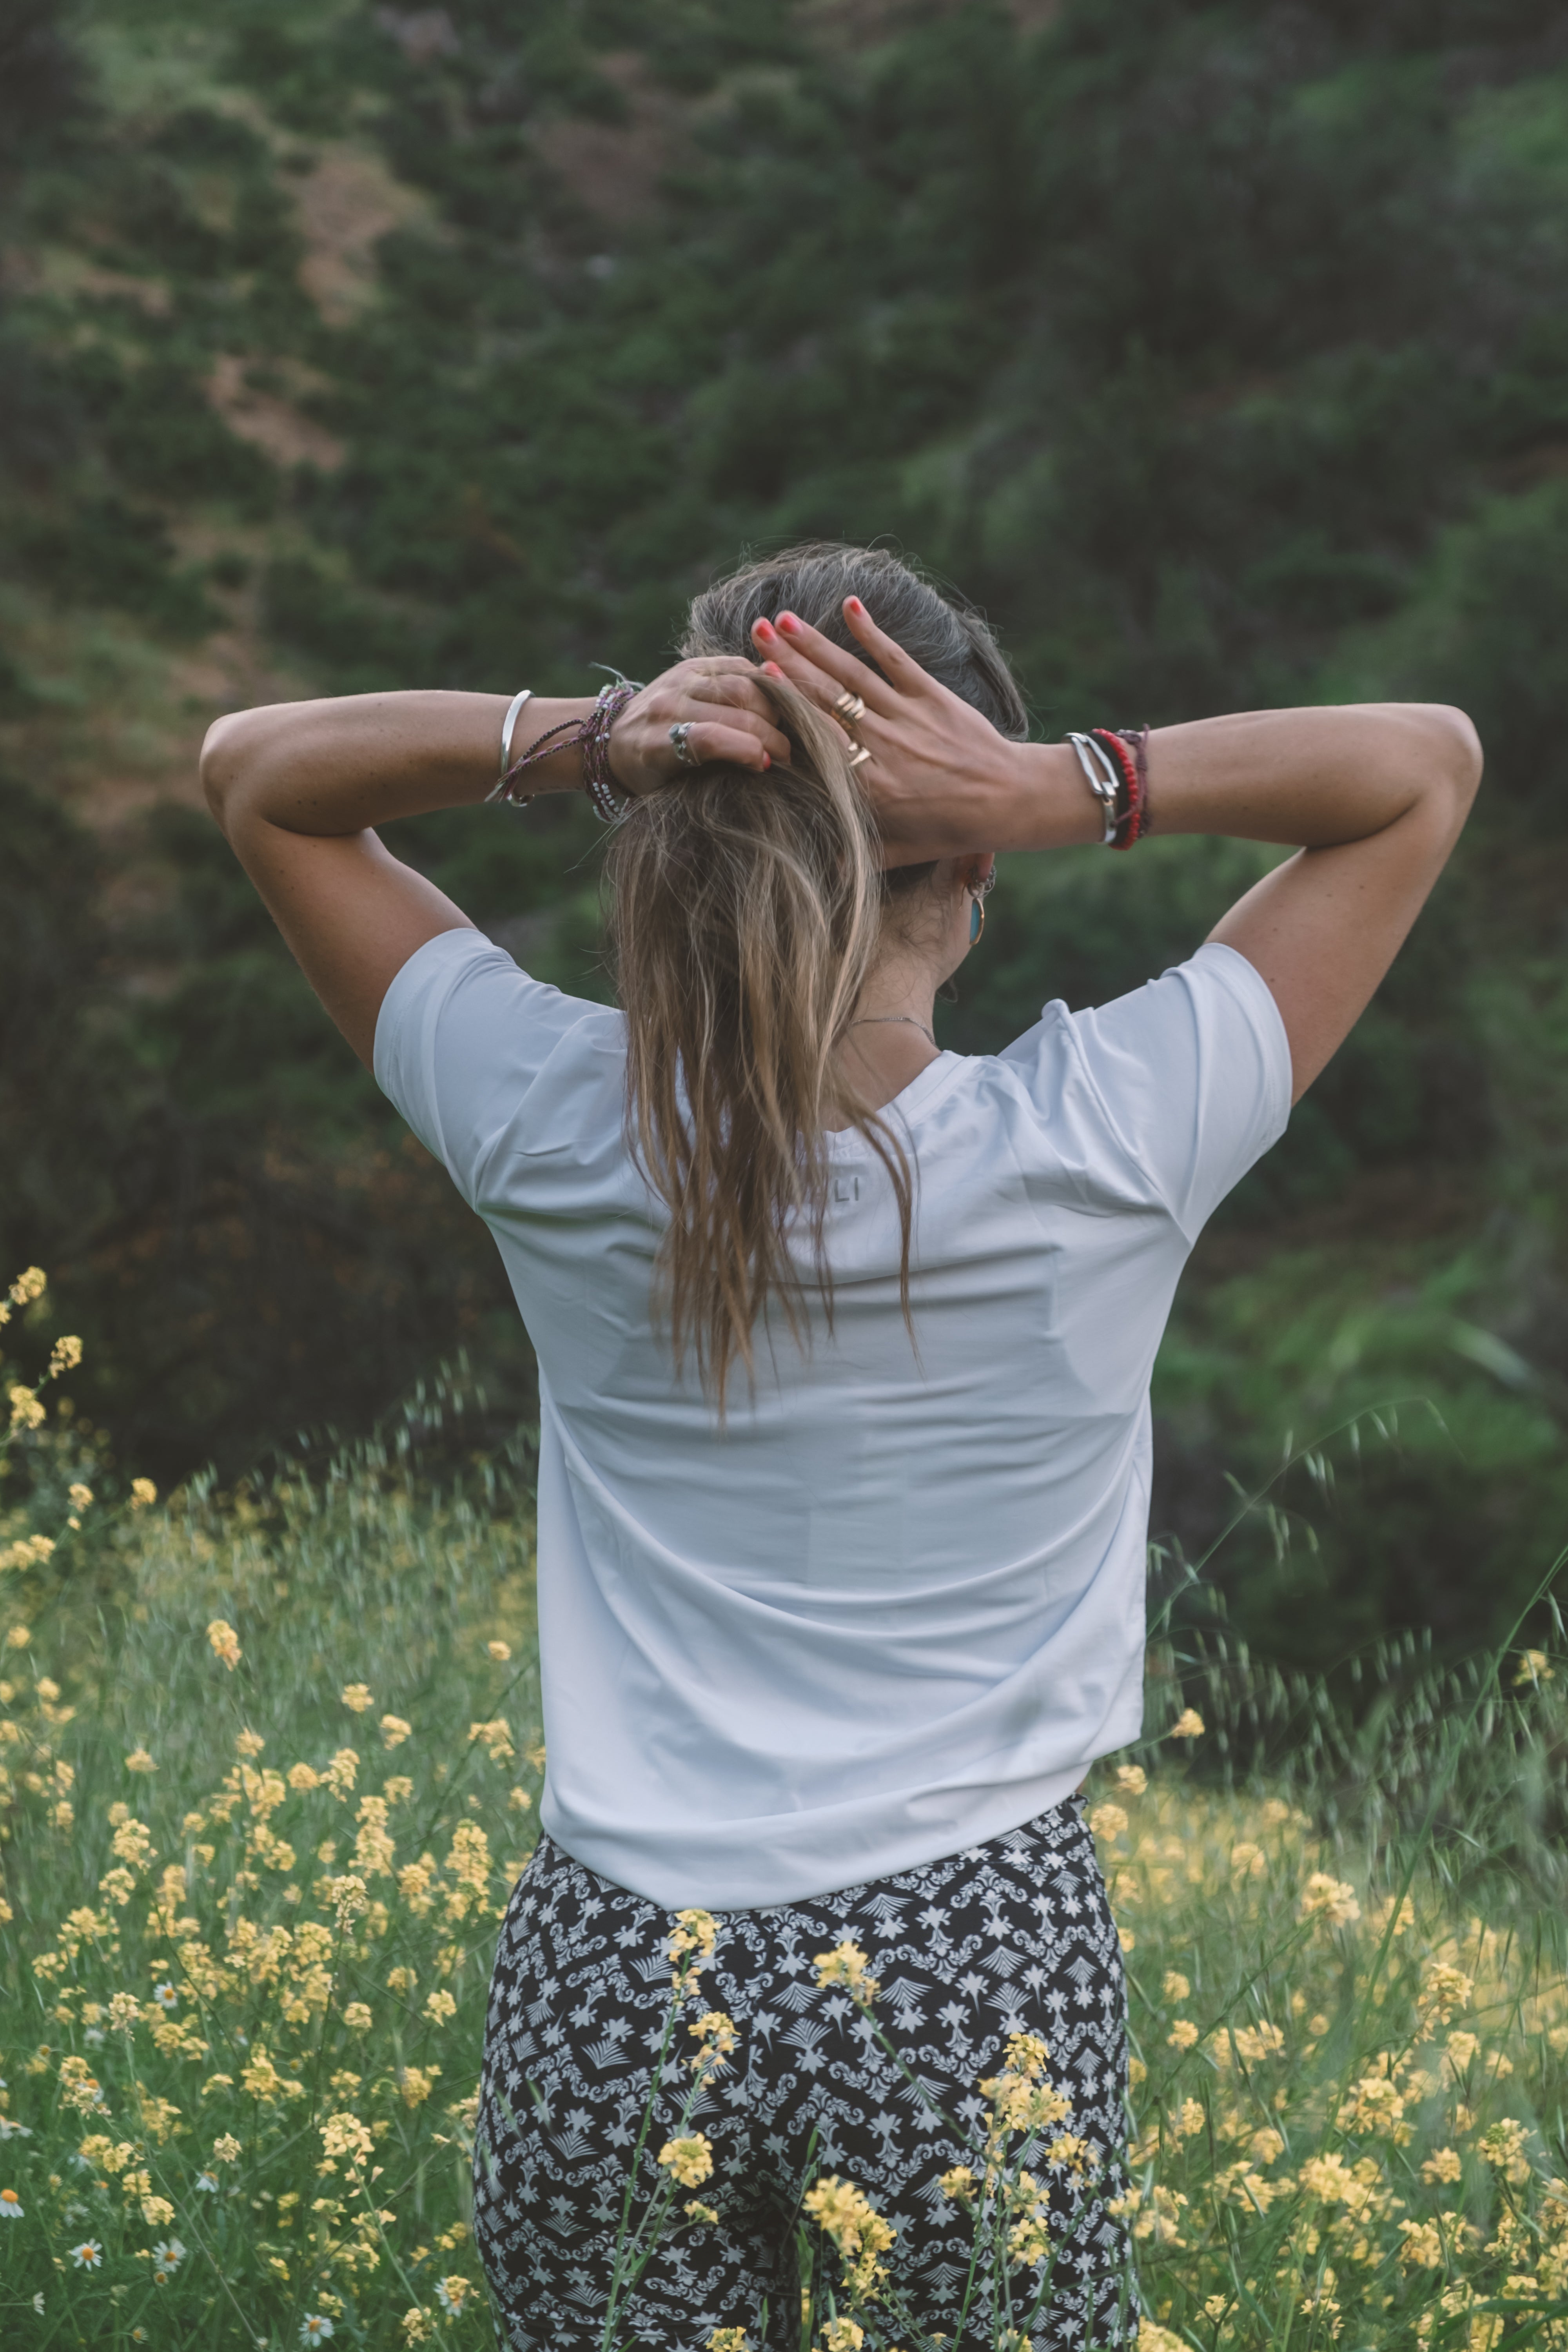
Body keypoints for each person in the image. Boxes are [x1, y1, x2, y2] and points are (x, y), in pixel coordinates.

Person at [202, 542, 1481, 2349]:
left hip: (614, 1971)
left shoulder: (549, 1124)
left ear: (671, 838)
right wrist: (1068, 790)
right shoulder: (1106, 1140)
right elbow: (1419, 764)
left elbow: (258, 775)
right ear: (968, 868)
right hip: (974, 1966)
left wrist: (590, 737)